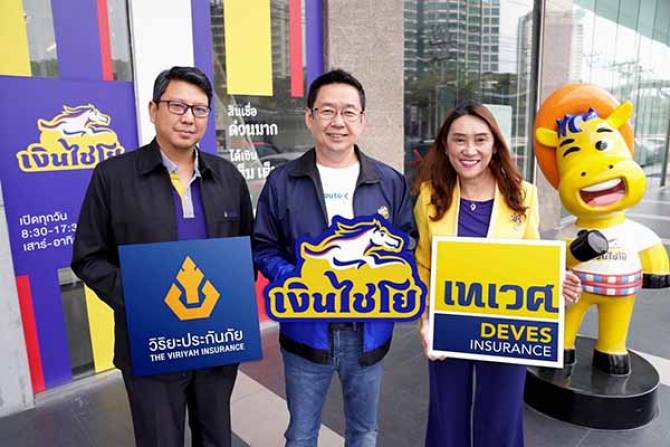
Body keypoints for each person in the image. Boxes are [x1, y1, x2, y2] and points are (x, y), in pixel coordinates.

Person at [71, 66, 253, 447]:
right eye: (177, 106)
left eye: (199, 109)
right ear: (153, 110)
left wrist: (232, 298)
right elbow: (88, 257)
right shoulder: (112, 177)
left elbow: (247, 252)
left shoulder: (228, 177)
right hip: (150, 344)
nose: (188, 117)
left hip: (215, 342)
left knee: (216, 437)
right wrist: (141, 298)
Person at [253, 69, 415, 446]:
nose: (337, 122)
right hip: (305, 331)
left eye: (348, 112)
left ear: (362, 120)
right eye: (327, 111)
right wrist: (296, 278)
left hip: (368, 331)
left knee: (364, 431)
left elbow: (407, 240)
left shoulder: (390, 182)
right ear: (310, 117)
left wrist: (380, 272)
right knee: (301, 434)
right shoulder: (282, 181)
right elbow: (263, 246)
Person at [413, 102, 582, 447]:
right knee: (447, 417)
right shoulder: (430, 196)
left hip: (507, 327)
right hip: (451, 322)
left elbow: (531, 258)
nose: (469, 150)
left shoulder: (523, 194)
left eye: (480, 139)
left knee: (501, 419)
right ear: (446, 145)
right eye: (459, 140)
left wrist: (556, 282)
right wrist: (426, 321)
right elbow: (423, 265)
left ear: (494, 145)